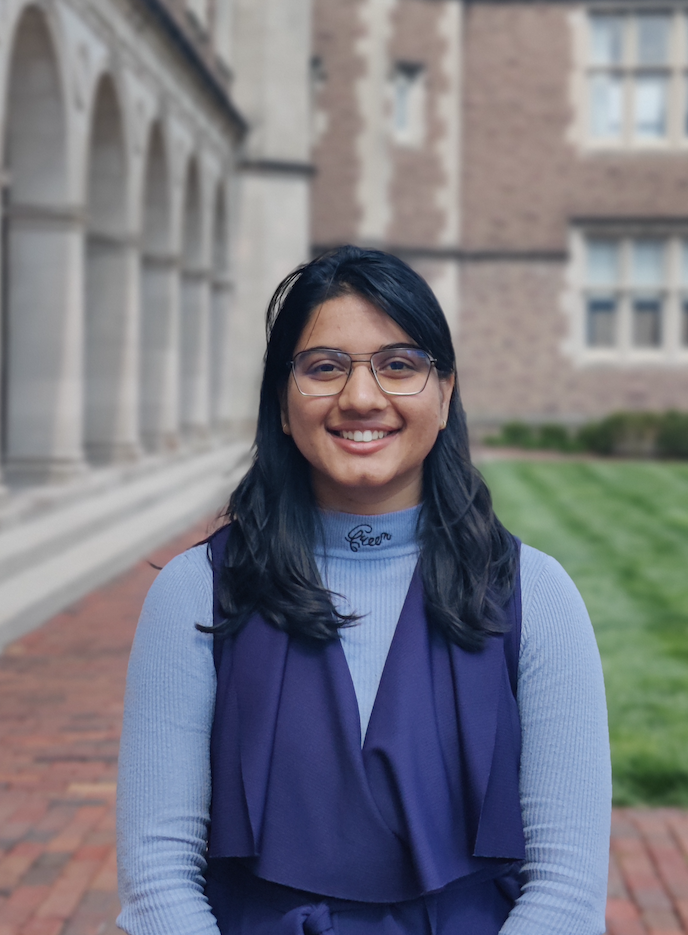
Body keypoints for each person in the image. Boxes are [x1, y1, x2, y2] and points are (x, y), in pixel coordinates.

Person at [116, 245, 611, 935]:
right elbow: (157, 881)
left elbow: (567, 891)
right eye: (325, 367)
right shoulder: (192, 595)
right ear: (282, 405)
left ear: (445, 393)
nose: (361, 396)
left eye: (399, 364)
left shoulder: (539, 597)